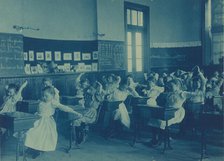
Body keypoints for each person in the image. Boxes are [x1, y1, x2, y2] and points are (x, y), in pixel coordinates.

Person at [24, 86, 82, 158]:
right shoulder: (41, 102)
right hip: (38, 120)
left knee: (41, 135)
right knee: (31, 132)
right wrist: (36, 114)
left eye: (46, 96)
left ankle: (38, 150)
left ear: (52, 96)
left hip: (46, 122)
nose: (44, 97)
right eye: (43, 95)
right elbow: (39, 110)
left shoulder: (53, 102)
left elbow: (64, 108)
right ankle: (32, 148)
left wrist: (75, 112)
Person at [148, 79, 195, 146]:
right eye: (169, 86)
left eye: (171, 86)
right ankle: (154, 139)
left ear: (177, 85)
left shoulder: (182, 93)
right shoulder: (169, 93)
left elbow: (194, 94)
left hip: (176, 113)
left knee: (161, 122)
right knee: (152, 120)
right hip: (167, 111)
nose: (170, 87)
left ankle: (160, 140)